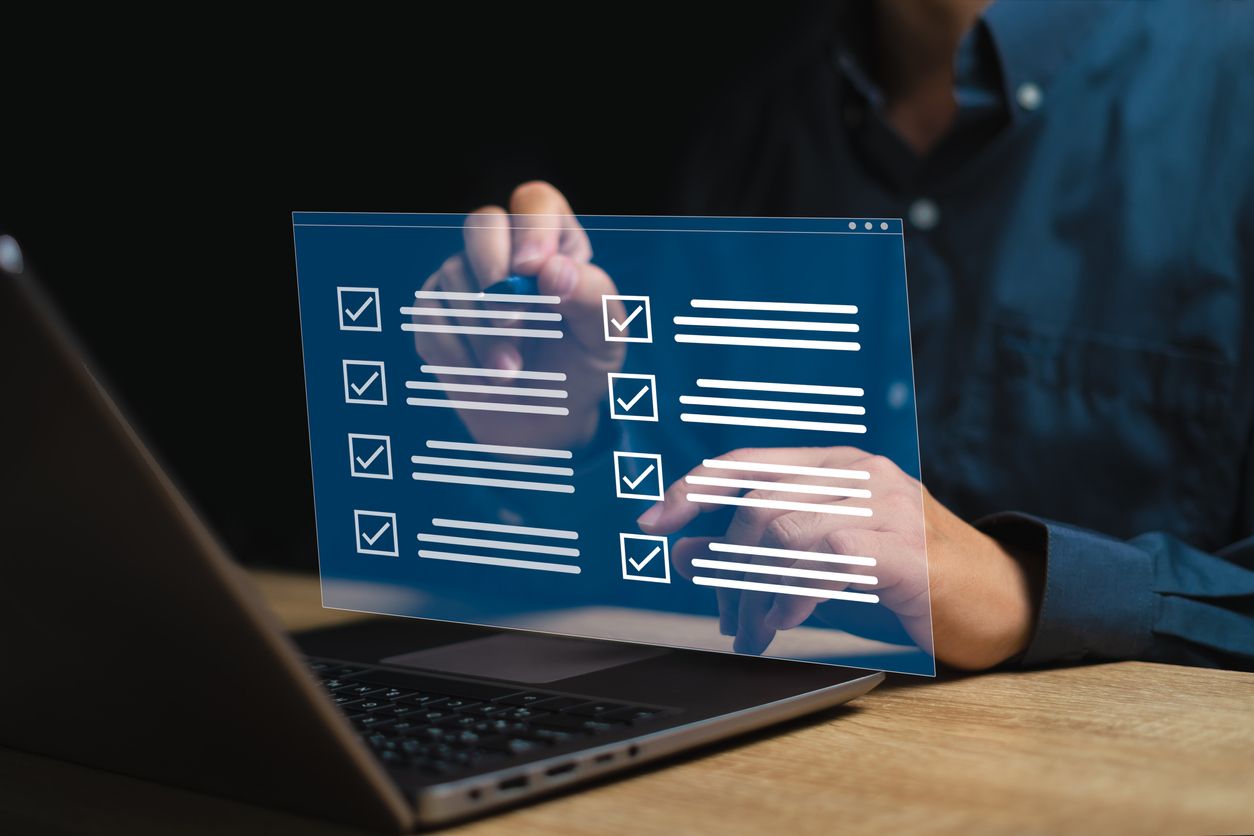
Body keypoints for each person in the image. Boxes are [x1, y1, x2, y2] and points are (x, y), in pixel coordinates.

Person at [412, 0, 1254, 671]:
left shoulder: (1231, 83)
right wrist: (570, 434)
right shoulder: (743, 117)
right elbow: (674, 556)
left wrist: (1028, 589)